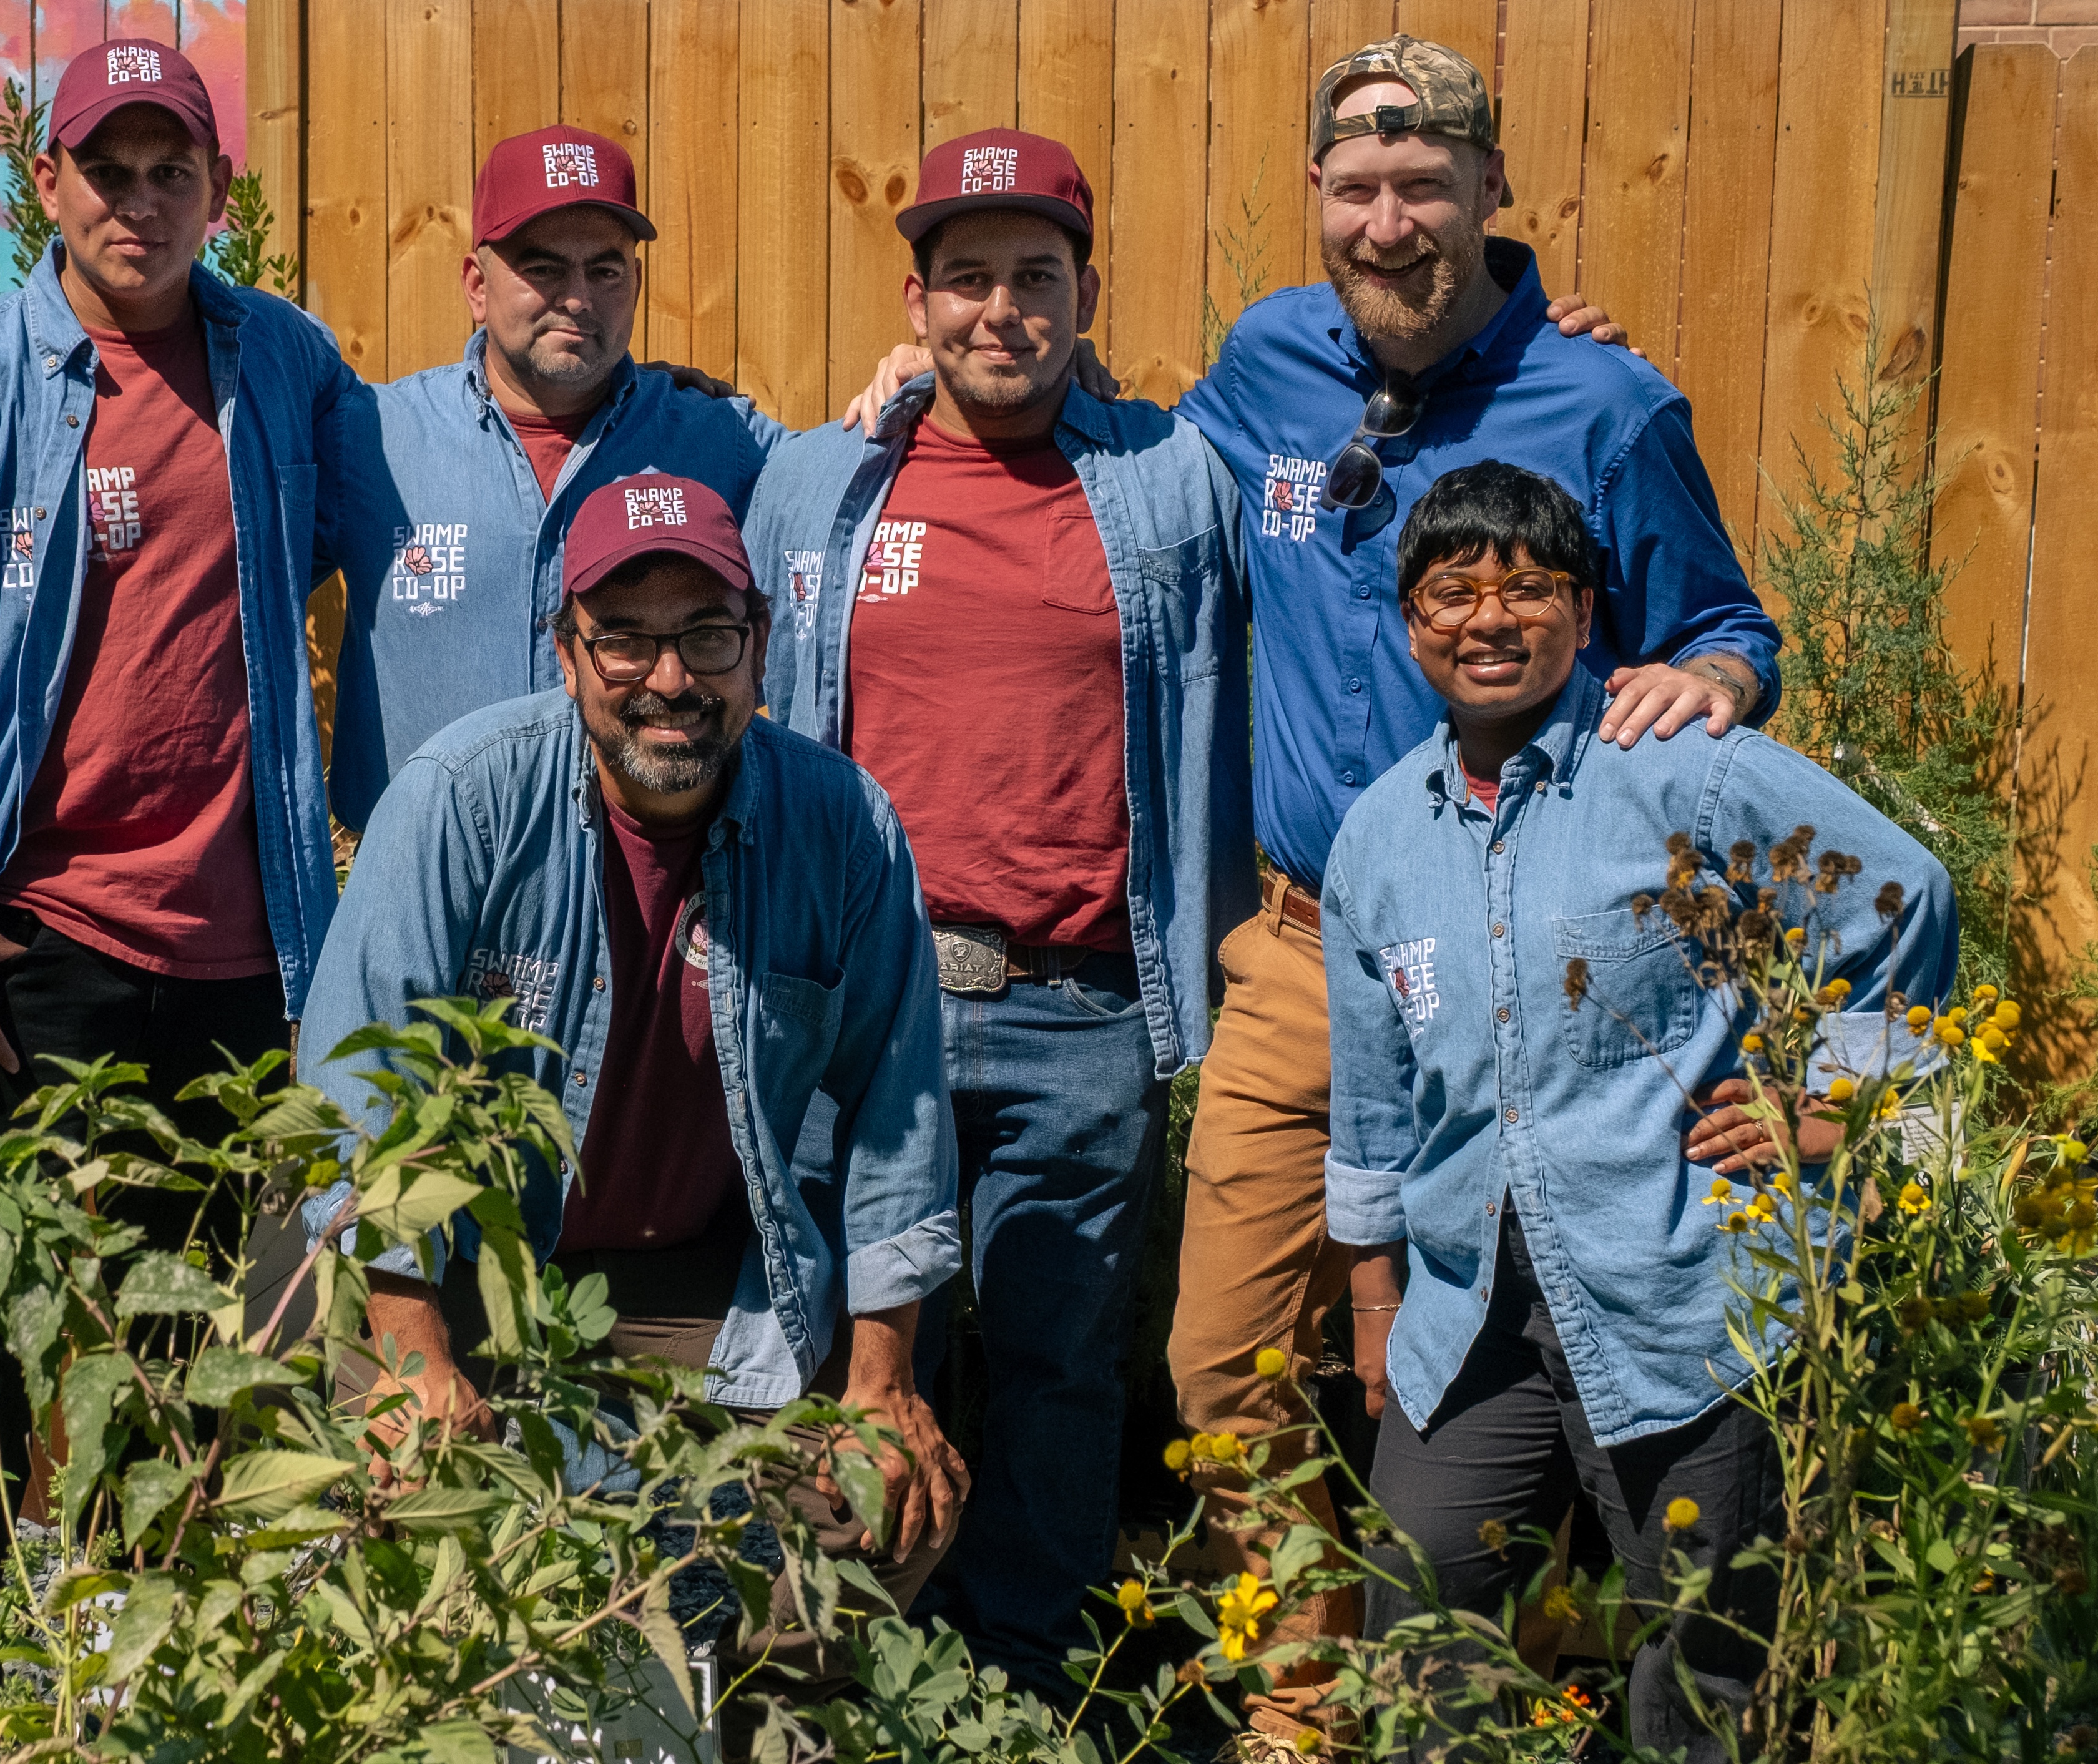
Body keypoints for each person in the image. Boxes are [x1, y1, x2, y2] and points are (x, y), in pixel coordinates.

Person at [1161, 36, 1785, 1743]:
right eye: (1357, 190)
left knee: (1557, 1353)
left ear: (1491, 193)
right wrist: (907, 383)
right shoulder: (1269, 362)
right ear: (1316, 203)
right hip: (1307, 953)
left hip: (1570, 965)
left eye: (1424, 185)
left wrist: (1717, 685)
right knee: (1227, 1362)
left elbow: (1723, 623)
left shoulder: (1608, 403)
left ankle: (1532, 1678)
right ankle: (1313, 1702)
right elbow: (1118, 452)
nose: (1389, 223)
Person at [0, 37, 369, 1487]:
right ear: (45, 181)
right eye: (104, 172)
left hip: (244, 955)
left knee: (179, 1333)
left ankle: (131, 1671)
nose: (138, 203)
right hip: (35, 951)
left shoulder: (289, 370)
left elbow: (436, 496)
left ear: (217, 189)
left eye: (168, 171)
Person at [1323, 462, 1952, 1759]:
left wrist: (1836, 1099)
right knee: (1420, 1627)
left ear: (1584, 607)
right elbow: (1372, 1098)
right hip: (1467, 1317)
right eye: (1451, 592)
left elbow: (1899, 894)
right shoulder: (1377, 839)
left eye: (1526, 589)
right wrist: (1373, 1301)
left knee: (1702, 1664)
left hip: (1681, 1292)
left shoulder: (1675, 772)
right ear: (1406, 621)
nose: (1487, 621)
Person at [299, 473, 967, 1692]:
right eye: (624, 640)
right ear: (566, 654)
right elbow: (358, 1095)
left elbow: (900, 1116)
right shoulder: (460, 801)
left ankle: (763, 1726)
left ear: (758, 646)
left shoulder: (842, 825)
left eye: (705, 636)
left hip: (714, 1285)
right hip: (468, 1279)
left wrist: (880, 1382)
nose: (669, 680)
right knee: (432, 1542)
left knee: (872, 1515)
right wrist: (409, 1356)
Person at [737, 128, 1246, 1687]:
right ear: (917, 296)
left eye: (1037, 276)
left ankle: (1021, 1680)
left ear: (1089, 293)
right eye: (967, 280)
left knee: (1056, 1365)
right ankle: (820, 1669)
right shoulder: (822, 478)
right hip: (855, 1004)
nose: (1000, 311)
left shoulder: (1170, 478)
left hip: (1076, 1005)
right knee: (832, 1340)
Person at [325, 127, 795, 833]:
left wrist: (927, 386)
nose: (577, 298)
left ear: (635, 283)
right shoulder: (371, 438)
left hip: (644, 881)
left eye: (605, 270)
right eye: (543, 269)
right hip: (420, 884)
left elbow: (851, 484)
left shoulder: (716, 440)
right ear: (476, 287)